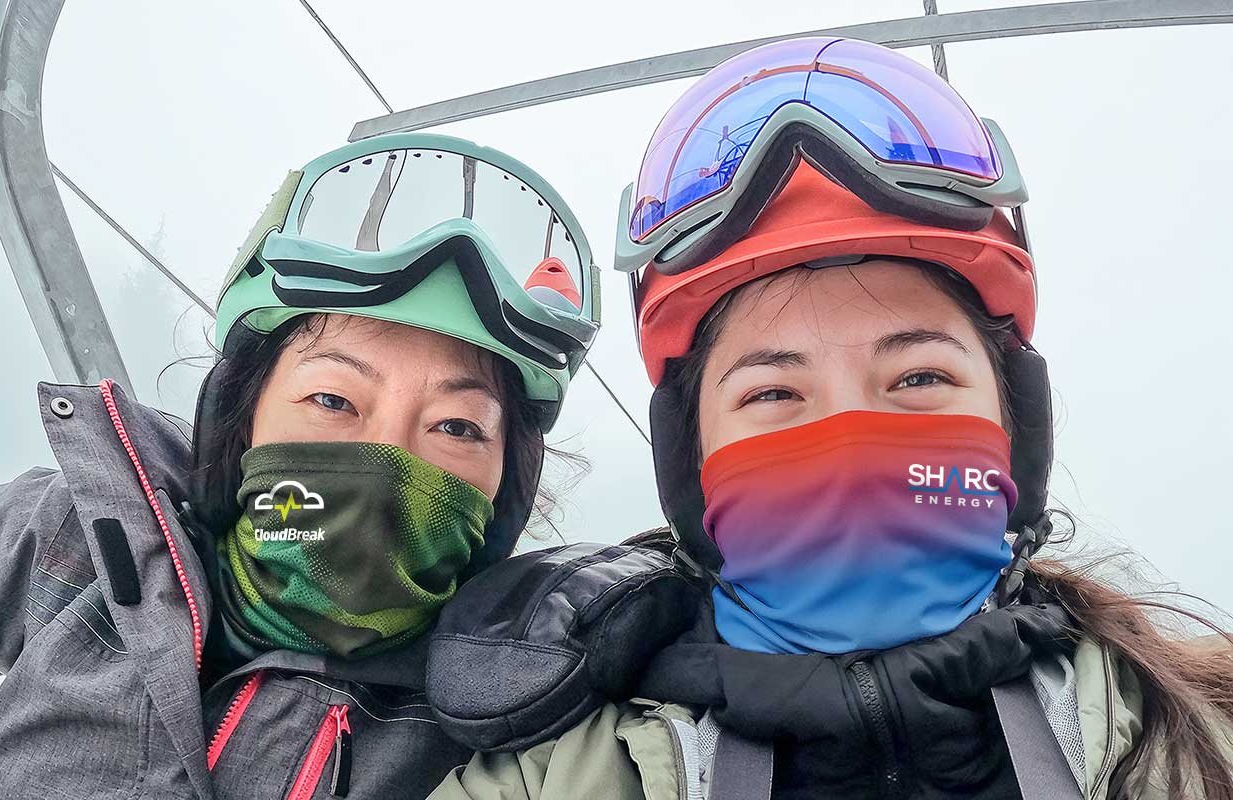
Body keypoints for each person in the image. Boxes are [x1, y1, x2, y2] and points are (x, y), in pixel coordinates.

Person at [430, 37, 1233, 800]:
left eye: (919, 377)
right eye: (774, 395)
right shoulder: (554, 779)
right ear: (691, 464)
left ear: (1015, 426)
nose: (850, 437)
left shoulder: (1199, 735)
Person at [0, 132, 603, 798]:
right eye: (333, 400)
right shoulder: (82, 539)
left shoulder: (510, 732)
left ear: (504, 489)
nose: (390, 456)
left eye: (456, 427)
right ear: (242, 415)